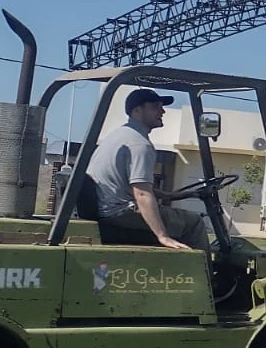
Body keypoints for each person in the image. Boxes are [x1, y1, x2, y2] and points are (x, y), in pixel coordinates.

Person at [84, 88, 209, 250]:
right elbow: (141, 194)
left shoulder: (119, 136)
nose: (162, 111)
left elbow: (135, 185)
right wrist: (162, 236)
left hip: (108, 210)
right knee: (194, 223)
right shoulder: (139, 144)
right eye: (155, 107)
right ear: (137, 110)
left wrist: (170, 195)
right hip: (120, 213)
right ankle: (202, 274)